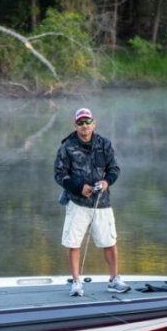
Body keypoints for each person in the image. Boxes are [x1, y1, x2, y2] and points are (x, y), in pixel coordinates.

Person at [54, 107, 129, 296]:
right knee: (73, 243)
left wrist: (106, 182)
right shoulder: (66, 146)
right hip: (77, 202)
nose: (84, 126)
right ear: (75, 125)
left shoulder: (105, 144)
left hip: (102, 203)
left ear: (93, 123)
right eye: (80, 122)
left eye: (87, 122)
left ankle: (114, 279)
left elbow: (114, 169)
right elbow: (59, 174)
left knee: (109, 242)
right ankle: (76, 282)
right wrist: (79, 187)